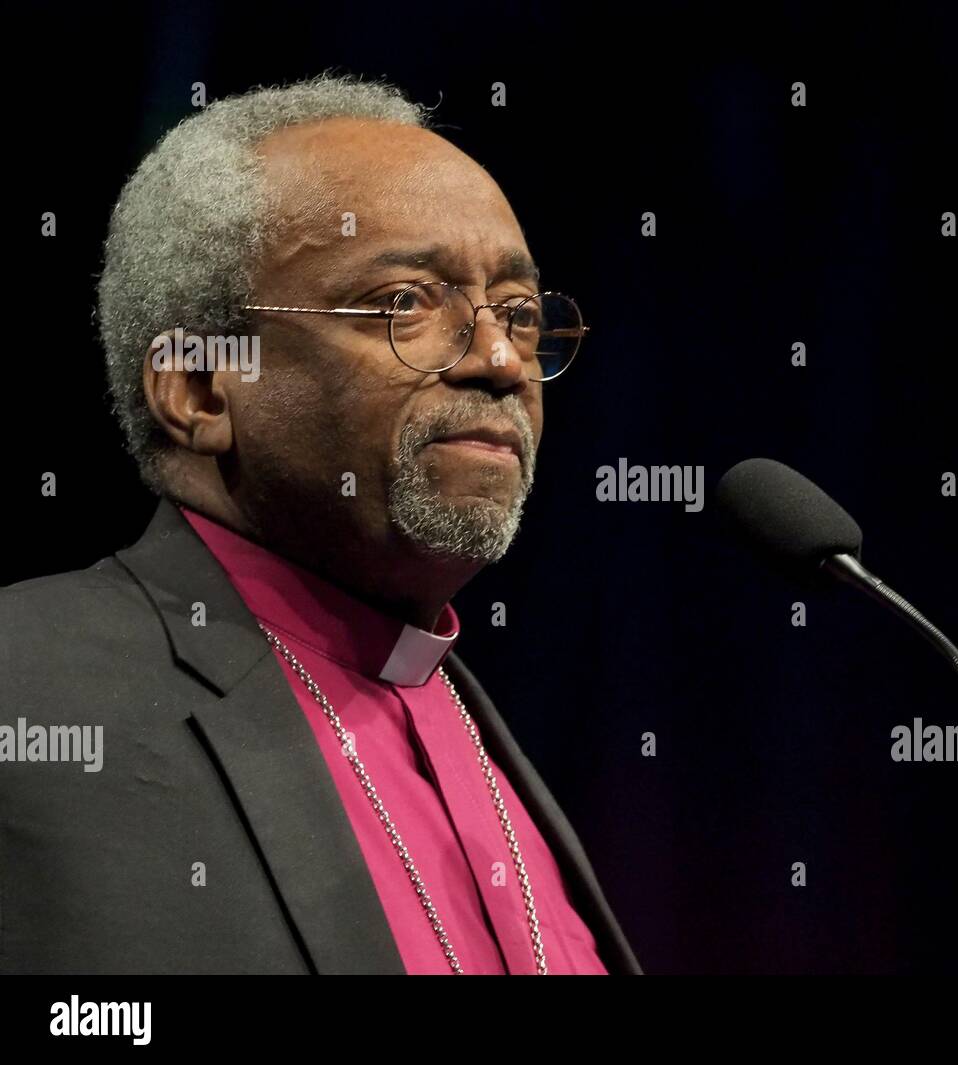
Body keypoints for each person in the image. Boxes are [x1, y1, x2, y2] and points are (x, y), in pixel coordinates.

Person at [0, 75, 640, 975]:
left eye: (522, 314)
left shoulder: (482, 740)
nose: (501, 361)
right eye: (407, 305)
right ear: (199, 385)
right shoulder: (24, 686)